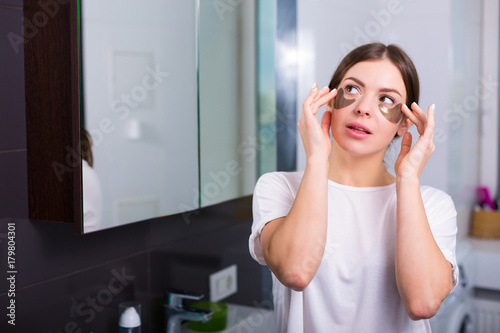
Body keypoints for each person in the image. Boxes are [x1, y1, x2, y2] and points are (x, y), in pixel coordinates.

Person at [249, 43, 458, 332]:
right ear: (331, 102)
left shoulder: (433, 205)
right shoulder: (279, 187)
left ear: (403, 123)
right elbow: (296, 271)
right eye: (352, 89)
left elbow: (422, 304)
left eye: (386, 98)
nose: (363, 108)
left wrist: (408, 180)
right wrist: (317, 159)